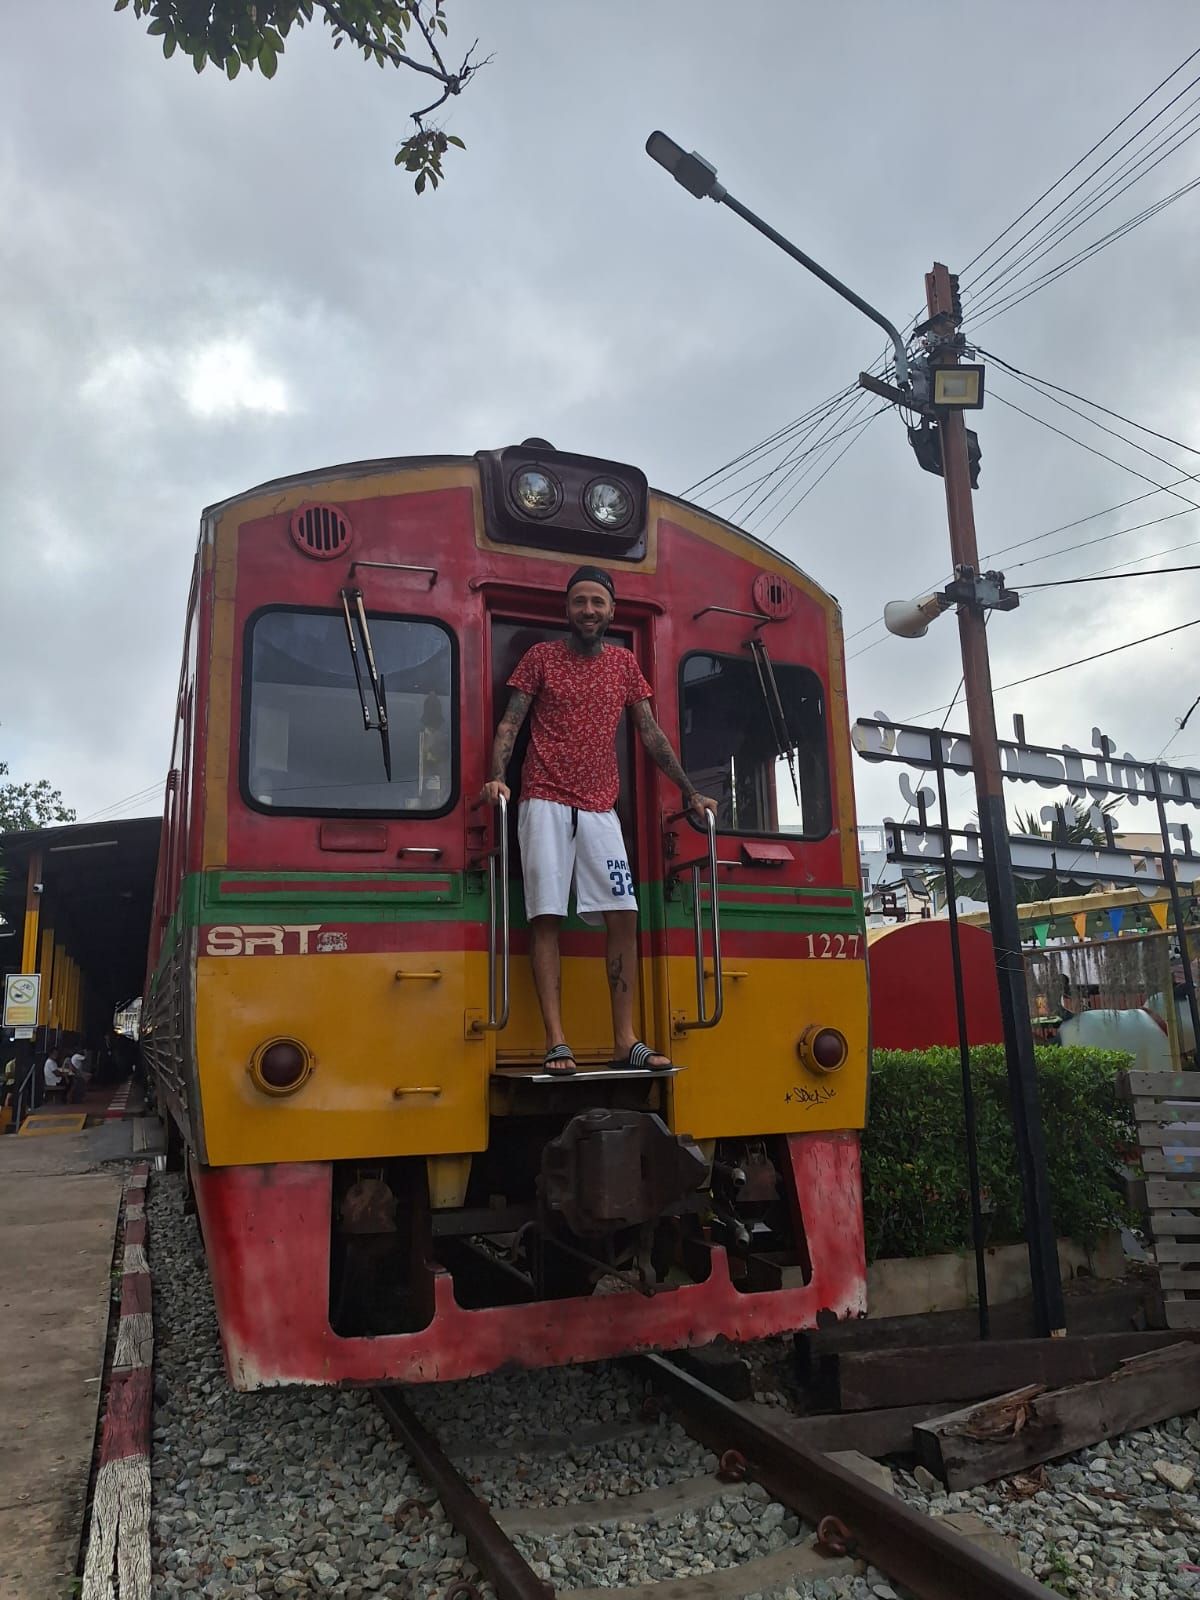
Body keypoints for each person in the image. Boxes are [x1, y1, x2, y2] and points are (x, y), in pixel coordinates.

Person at [481, 565, 716, 1076]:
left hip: (599, 808)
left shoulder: (625, 665)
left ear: (612, 610)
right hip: (541, 800)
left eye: (597, 602)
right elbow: (510, 722)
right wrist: (498, 776)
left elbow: (650, 734)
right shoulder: (540, 657)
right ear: (567, 609)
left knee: (624, 913)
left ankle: (624, 1039)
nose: (588, 610)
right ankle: (556, 1039)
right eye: (580, 601)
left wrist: (692, 792)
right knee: (546, 915)